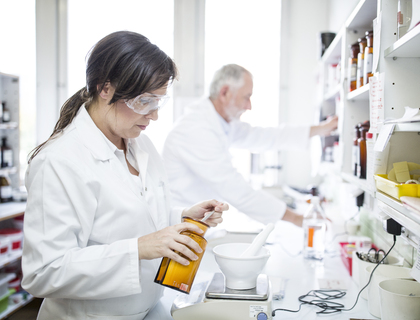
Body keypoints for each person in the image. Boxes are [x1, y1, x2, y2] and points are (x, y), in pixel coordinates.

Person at [21, 31, 228, 319]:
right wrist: (140, 248)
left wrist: (181, 218)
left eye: (158, 101)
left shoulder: (139, 144)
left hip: (150, 308)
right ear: (105, 89)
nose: (153, 115)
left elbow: (125, 218)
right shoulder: (59, 161)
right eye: (145, 101)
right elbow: (44, 272)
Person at [162, 64, 337, 227]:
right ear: (224, 93)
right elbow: (235, 188)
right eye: (247, 97)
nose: (249, 106)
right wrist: (298, 219)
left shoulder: (222, 122)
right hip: (181, 226)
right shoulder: (196, 129)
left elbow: (264, 136)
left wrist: (320, 129)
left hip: (199, 225)